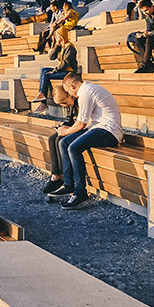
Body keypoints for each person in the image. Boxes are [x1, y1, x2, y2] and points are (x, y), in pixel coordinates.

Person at [48, 71, 124, 210]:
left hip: (109, 131)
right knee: (63, 142)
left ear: (72, 86)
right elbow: (82, 123)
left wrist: (65, 131)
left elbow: (81, 124)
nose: (71, 96)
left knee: (73, 147)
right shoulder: (87, 90)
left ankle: (80, 191)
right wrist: (66, 130)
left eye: (69, 92)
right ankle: (68, 184)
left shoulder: (86, 93)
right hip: (96, 127)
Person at [32, 38, 79, 110]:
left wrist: (55, 70)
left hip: (69, 72)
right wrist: (56, 45)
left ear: (62, 36)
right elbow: (51, 57)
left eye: (57, 36)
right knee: (44, 70)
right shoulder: (61, 46)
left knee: (46, 74)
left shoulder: (70, 47)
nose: (56, 38)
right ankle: (41, 94)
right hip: (62, 70)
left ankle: (43, 102)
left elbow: (65, 63)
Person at [126, 0, 154, 73]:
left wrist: (150, 33)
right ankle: (148, 64)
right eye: (143, 11)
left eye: (146, 10)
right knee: (138, 40)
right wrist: (142, 34)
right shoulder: (148, 18)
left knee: (149, 38)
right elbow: (149, 29)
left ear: (152, 6)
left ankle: (144, 65)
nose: (145, 13)